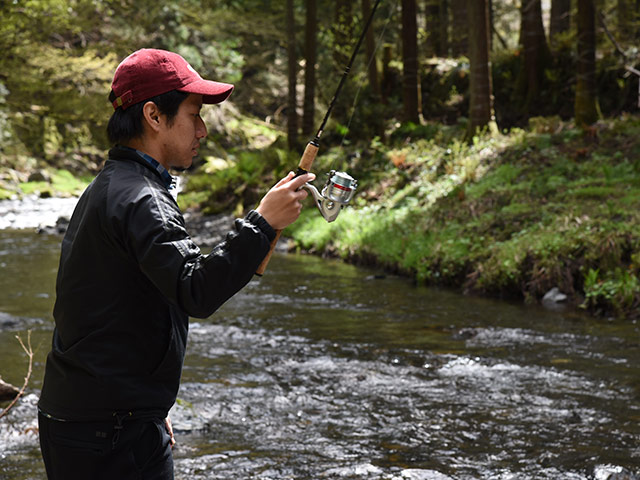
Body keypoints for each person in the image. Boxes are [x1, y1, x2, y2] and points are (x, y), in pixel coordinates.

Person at [37, 48, 314, 480]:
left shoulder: (111, 186)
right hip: (109, 430)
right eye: (193, 113)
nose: (202, 129)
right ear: (153, 115)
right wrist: (262, 223)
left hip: (93, 418)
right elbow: (194, 290)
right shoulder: (142, 199)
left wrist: (146, 407)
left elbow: (101, 309)